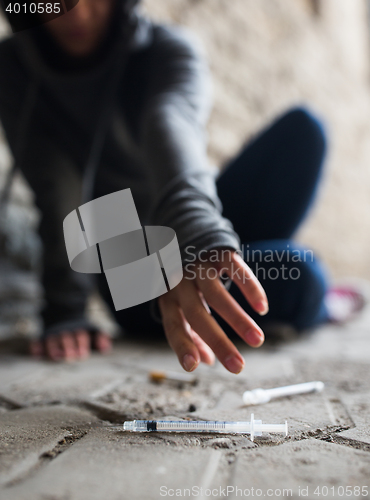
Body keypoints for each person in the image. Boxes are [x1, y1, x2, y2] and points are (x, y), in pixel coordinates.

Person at [0, 0, 339, 371]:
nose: (76, 14)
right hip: (132, 260)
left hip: (186, 212)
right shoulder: (14, 68)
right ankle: (312, 296)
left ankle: (222, 261)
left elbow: (168, 122)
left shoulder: (168, 48)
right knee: (301, 274)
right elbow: (56, 185)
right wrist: (65, 310)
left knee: (304, 131)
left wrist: (198, 232)